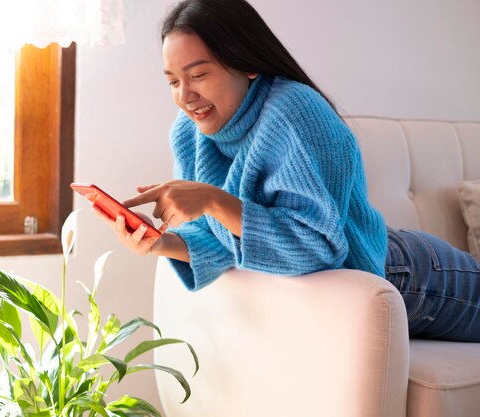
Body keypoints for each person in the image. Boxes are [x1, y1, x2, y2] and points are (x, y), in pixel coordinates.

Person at [91, 0, 480, 342]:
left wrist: (213, 200)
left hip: (405, 273)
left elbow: (321, 249)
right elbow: (222, 241)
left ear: (247, 64)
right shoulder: (189, 131)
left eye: (198, 75)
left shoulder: (295, 113)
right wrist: (161, 244)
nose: (184, 96)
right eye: (173, 81)